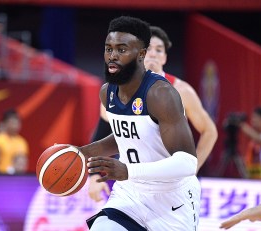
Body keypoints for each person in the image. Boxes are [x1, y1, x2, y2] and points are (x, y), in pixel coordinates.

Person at [79, 16, 201, 231]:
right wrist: (81, 152)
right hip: (130, 195)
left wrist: (128, 170)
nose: (113, 56)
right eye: (109, 49)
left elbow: (187, 163)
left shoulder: (161, 94)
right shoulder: (107, 92)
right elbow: (124, 136)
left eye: (122, 49)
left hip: (172, 200)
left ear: (141, 54)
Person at [88, 25, 218, 202]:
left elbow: (210, 131)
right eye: (149, 49)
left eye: (159, 50)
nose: (154, 54)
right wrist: (94, 175)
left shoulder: (181, 90)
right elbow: (103, 130)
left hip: (170, 186)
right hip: (132, 184)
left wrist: (192, 169)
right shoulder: (118, 89)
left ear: (165, 57)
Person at [239, 107, 261, 180]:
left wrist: (241, 125)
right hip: (253, 178)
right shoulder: (253, 140)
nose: (252, 120)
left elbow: (260, 140)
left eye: (255, 118)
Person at [0, 109, 29, 174]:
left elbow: (24, 162)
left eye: (17, 123)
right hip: (0, 176)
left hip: (17, 177)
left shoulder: (22, 142)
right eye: (12, 122)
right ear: (5, 123)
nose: (15, 125)